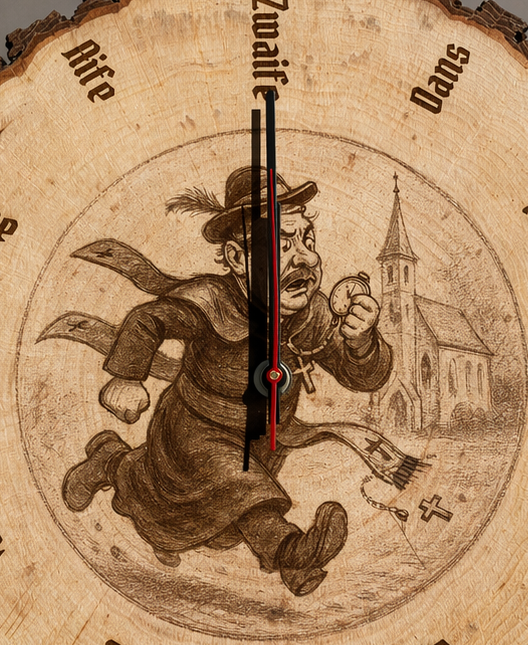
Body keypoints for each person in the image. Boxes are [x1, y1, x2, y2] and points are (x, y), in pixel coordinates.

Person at [60, 166, 392, 597]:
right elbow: (148, 319)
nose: (306, 259)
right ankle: (292, 555)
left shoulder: (310, 314)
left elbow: (362, 377)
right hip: (195, 431)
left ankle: (109, 459)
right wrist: (127, 376)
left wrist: (362, 341)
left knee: (195, 514)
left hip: (262, 439)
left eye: (308, 241)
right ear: (237, 259)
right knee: (242, 489)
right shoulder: (210, 300)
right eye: (282, 245)